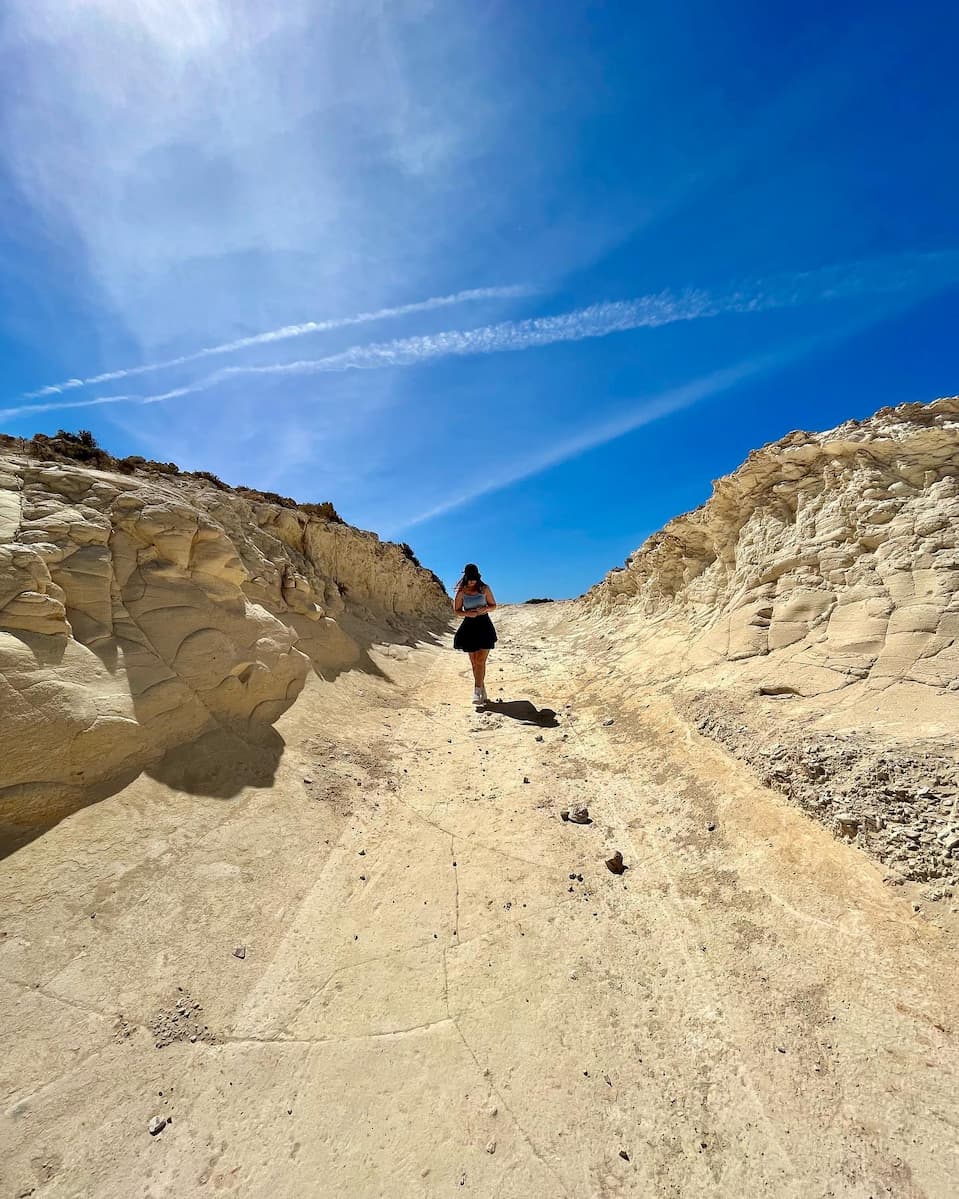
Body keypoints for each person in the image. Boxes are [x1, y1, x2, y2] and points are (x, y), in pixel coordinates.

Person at [453, 563, 497, 706]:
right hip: (469, 627)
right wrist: (468, 613)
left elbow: (493, 606)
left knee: (480, 660)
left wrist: (485, 609)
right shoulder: (461, 592)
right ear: (466, 578)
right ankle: (482, 689)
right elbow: (457, 611)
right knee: (474, 662)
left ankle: (476, 691)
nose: (472, 582)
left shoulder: (485, 589)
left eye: (474, 579)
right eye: (470, 579)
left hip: (484, 625)